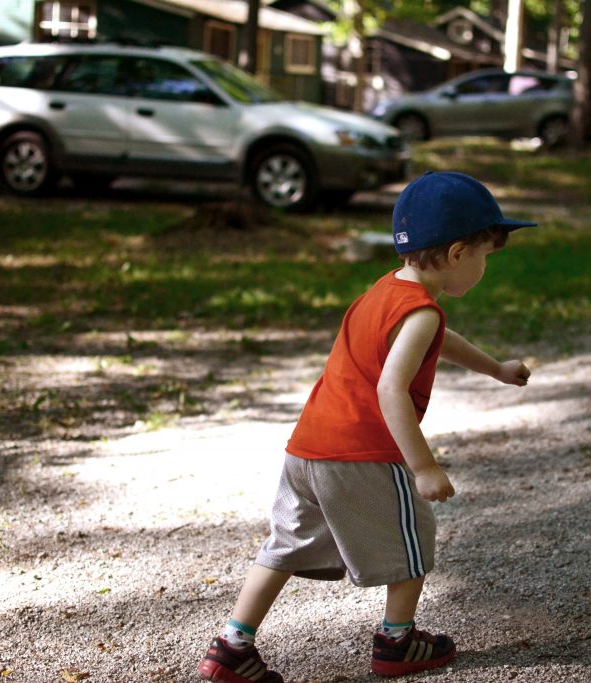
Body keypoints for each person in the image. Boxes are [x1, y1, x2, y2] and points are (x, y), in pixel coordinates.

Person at [197, 171, 536, 682]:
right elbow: (390, 388)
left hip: (307, 450)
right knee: (413, 539)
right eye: (487, 255)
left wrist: (496, 369)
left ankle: (231, 646)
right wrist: (422, 467)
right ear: (459, 253)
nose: (486, 267)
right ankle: (397, 642)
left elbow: (437, 336)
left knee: (283, 546)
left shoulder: (389, 291)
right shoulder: (420, 314)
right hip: (362, 453)